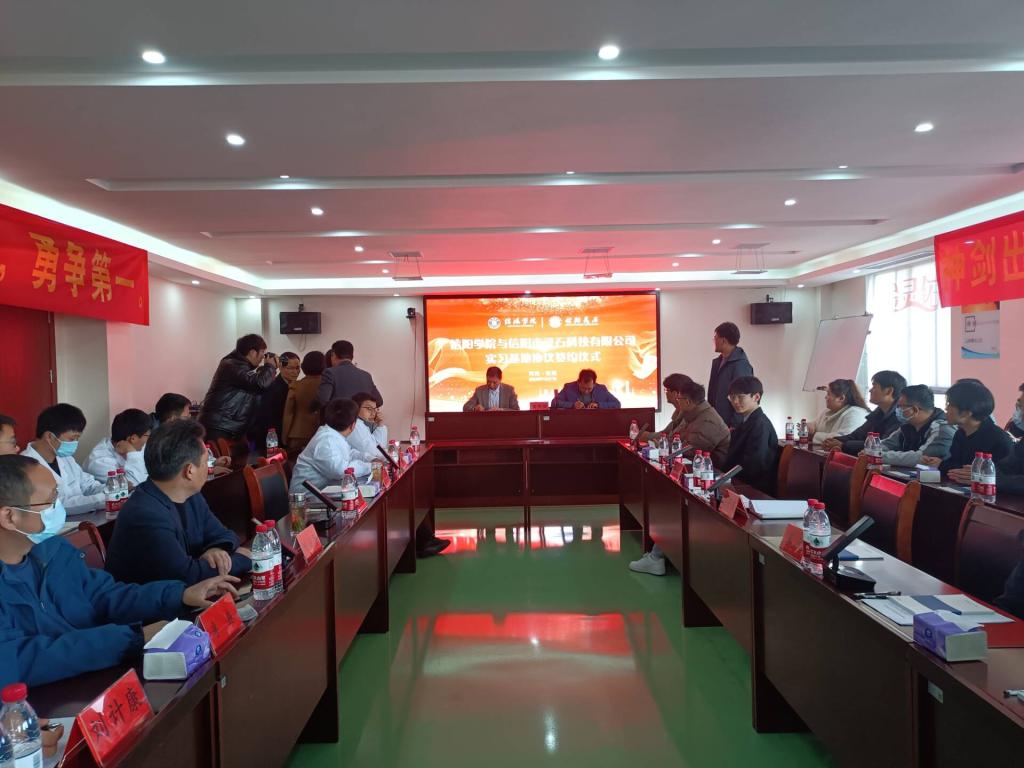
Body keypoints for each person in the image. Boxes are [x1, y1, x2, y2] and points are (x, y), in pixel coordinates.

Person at [0, 454, 238, 687]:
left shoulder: (53, 549)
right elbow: (22, 659)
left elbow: (105, 596)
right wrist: (131, 639)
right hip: (44, 699)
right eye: (51, 501)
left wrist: (180, 594)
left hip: (98, 673)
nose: (59, 507)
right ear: (9, 517)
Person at [105, 420, 251, 586]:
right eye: (206, 462)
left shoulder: (190, 496)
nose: (208, 467)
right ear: (190, 471)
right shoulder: (144, 514)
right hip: (156, 601)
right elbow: (187, 576)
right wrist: (244, 559)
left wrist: (215, 550)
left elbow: (225, 535)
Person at [629, 380, 731, 577]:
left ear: (687, 401)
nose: (676, 400)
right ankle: (658, 553)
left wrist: (659, 442)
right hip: (698, 473)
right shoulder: (692, 415)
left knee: (671, 500)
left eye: (679, 397)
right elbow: (673, 439)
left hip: (713, 478)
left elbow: (688, 451)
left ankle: (657, 557)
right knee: (665, 493)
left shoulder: (707, 421)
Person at [21, 404, 106, 512]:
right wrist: (100, 499)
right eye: (72, 439)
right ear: (50, 436)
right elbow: (55, 505)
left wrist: (113, 490)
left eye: (77, 438)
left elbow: (88, 486)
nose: (75, 443)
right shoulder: (25, 465)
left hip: (84, 518)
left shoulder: (66, 458)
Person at [198, 334, 278, 442]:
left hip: (229, 427)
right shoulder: (231, 365)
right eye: (262, 352)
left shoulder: (239, 366)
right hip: (220, 427)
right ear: (252, 352)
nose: (263, 358)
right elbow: (260, 384)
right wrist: (270, 366)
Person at [934, 379, 1014, 480]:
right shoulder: (960, 433)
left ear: (966, 413)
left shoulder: (999, 439)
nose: (946, 409)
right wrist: (940, 464)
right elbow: (955, 465)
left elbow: (1005, 476)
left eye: (949, 404)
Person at [290, 398, 372, 493]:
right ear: (353, 425)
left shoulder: (333, 435)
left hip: (323, 493)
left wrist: (370, 459)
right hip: (308, 498)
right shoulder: (326, 441)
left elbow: (350, 453)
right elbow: (341, 471)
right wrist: (370, 467)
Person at [821, 370, 906, 455]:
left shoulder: (900, 418)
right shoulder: (877, 414)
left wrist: (844, 445)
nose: (870, 390)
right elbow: (856, 435)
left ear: (889, 391)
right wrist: (834, 441)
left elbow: (881, 445)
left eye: (874, 386)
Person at [721, 376, 780, 495]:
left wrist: (726, 480)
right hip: (738, 480)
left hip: (754, 488)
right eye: (732, 397)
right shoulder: (747, 420)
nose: (735, 401)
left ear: (756, 397)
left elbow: (754, 466)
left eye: (740, 397)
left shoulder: (760, 425)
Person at [872, 385, 954, 467]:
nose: (897, 410)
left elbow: (921, 458)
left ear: (915, 409)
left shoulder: (943, 428)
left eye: (900, 407)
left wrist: (878, 456)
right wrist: (873, 452)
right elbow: (881, 446)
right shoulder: (907, 426)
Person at [84, 408, 152, 486]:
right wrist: (132, 453)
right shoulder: (99, 462)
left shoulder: (139, 446)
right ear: (133, 438)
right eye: (148, 435)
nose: (149, 439)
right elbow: (135, 486)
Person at [707, 321, 754, 428]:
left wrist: (734, 424)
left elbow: (744, 397)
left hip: (731, 426)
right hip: (717, 423)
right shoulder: (718, 362)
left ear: (723, 340)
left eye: (715, 338)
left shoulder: (741, 365)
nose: (714, 341)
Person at [251, 351, 300, 452]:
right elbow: (268, 420)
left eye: (298, 368)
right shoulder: (272, 388)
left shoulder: (297, 386)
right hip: (273, 440)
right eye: (291, 368)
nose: (295, 372)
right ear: (280, 367)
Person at [317, 340, 383, 408]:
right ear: (352, 356)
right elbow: (379, 401)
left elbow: (322, 400)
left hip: (340, 414)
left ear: (334, 355)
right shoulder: (366, 376)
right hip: (362, 415)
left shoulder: (330, 372)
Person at [283, 350, 325, 456]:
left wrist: (284, 437)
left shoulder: (295, 386)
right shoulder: (327, 386)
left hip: (298, 435)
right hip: (321, 435)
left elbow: (288, 414)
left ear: (303, 367)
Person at [808, 379, 870, 448]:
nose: (825, 397)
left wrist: (814, 435)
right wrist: (810, 425)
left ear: (841, 398)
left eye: (828, 394)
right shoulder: (826, 411)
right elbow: (814, 425)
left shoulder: (856, 413)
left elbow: (843, 438)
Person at [638, 374, 693, 443]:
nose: (665, 393)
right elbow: (665, 432)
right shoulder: (679, 412)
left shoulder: (688, 416)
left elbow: (671, 438)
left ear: (675, 394)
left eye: (666, 390)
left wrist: (647, 436)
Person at [346, 392, 390, 462]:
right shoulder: (354, 426)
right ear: (356, 407)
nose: (373, 413)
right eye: (369, 408)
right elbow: (372, 452)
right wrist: (387, 457)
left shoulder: (361, 424)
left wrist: (380, 424)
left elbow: (379, 447)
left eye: (375, 409)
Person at [552, 369, 621, 409]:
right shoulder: (568, 388)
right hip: (573, 421)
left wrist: (598, 405)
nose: (586, 391)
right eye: (583, 388)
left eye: (589, 389)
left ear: (594, 384)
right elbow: (554, 403)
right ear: (578, 382)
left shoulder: (601, 389)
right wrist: (573, 405)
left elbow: (617, 404)